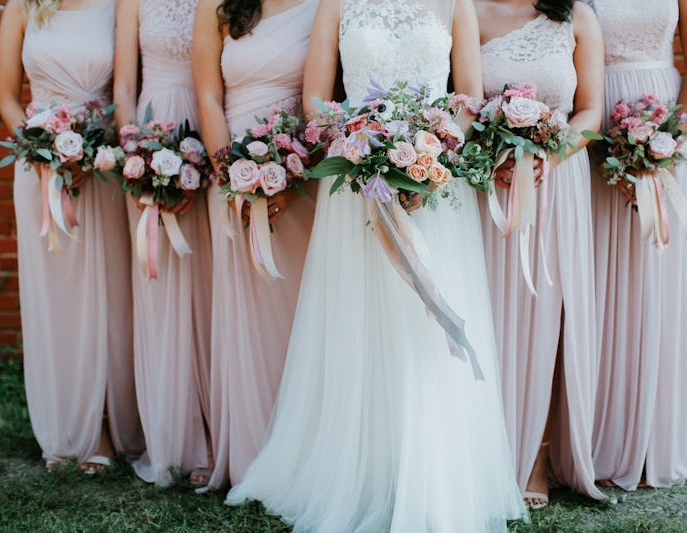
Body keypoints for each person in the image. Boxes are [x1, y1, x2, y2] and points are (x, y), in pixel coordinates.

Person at [225, 0, 526, 530]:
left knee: (424, 331)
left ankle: (430, 476)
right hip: (357, 183)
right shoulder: (336, 2)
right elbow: (316, 99)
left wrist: (431, 158)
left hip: (433, 184)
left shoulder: (456, 2)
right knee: (360, 326)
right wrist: (368, 151)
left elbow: (468, 99)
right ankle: (359, 475)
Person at [0, 0, 143, 473]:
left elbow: (122, 89)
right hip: (39, 170)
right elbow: (5, 96)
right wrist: (41, 154)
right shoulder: (23, 6)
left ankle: (104, 424)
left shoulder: (117, 5)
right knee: (55, 296)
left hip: (99, 167)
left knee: (107, 297)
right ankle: (65, 422)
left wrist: (117, 155)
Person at [476, 0, 606, 507]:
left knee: (550, 317)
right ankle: (486, 447)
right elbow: (461, 99)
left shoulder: (576, 15)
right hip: (492, 184)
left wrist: (546, 156)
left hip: (557, 182)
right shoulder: (470, 11)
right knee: (491, 314)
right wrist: (494, 157)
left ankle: (539, 458)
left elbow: (591, 110)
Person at [588, 0, 687, 490]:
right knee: (602, 275)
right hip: (598, 121)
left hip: (665, 119)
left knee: (658, 274)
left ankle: (657, 437)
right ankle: (600, 437)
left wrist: (670, 141)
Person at [191, 0, 318, 489]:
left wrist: (293, 169)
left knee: (302, 312)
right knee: (249, 309)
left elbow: (328, 94)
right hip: (235, 176)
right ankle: (251, 452)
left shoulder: (325, 5)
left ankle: (305, 455)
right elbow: (207, 96)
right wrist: (234, 178)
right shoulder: (217, 7)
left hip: (303, 174)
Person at [113, 0, 213, 487]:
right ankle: (172, 437)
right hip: (155, 131)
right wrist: (137, 154)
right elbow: (124, 84)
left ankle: (217, 436)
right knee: (163, 283)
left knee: (211, 281)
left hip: (208, 121)